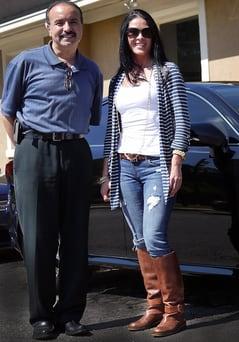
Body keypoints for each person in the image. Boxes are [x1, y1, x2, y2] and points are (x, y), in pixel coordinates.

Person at [0, 1, 103, 340]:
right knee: (39, 240)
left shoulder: (92, 71)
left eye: (73, 22)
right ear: (48, 28)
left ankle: (71, 314)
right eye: (59, 23)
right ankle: (42, 317)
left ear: (81, 26)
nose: (66, 28)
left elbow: (90, 117)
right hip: (34, 151)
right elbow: (7, 111)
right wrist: (15, 151)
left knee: (75, 238)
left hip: (75, 151)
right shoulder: (25, 62)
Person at [100, 9, 190, 338]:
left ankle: (175, 311)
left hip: (157, 166)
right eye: (132, 32)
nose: (139, 37)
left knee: (155, 237)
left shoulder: (167, 72)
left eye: (145, 31)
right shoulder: (118, 79)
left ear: (154, 36)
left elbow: (182, 120)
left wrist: (176, 161)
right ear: (125, 38)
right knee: (139, 239)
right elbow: (113, 131)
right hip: (125, 166)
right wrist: (108, 173)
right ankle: (153, 307)